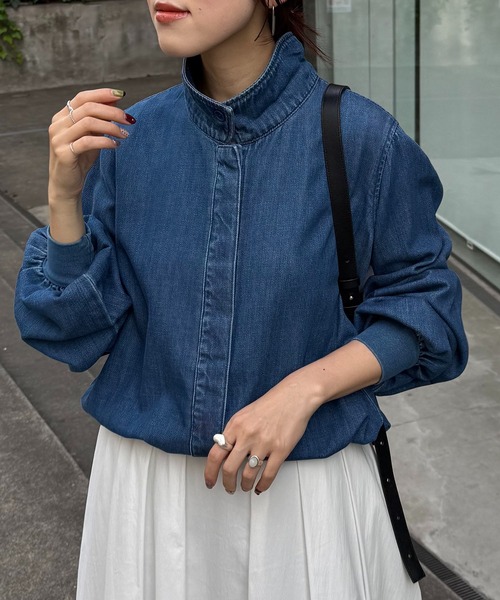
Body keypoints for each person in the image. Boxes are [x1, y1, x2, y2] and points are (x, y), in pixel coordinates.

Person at [15, 0, 468, 598]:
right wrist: (64, 198)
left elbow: (427, 309)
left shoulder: (360, 138)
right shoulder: (131, 138)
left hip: (300, 503)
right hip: (146, 499)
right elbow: (71, 330)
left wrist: (302, 391)